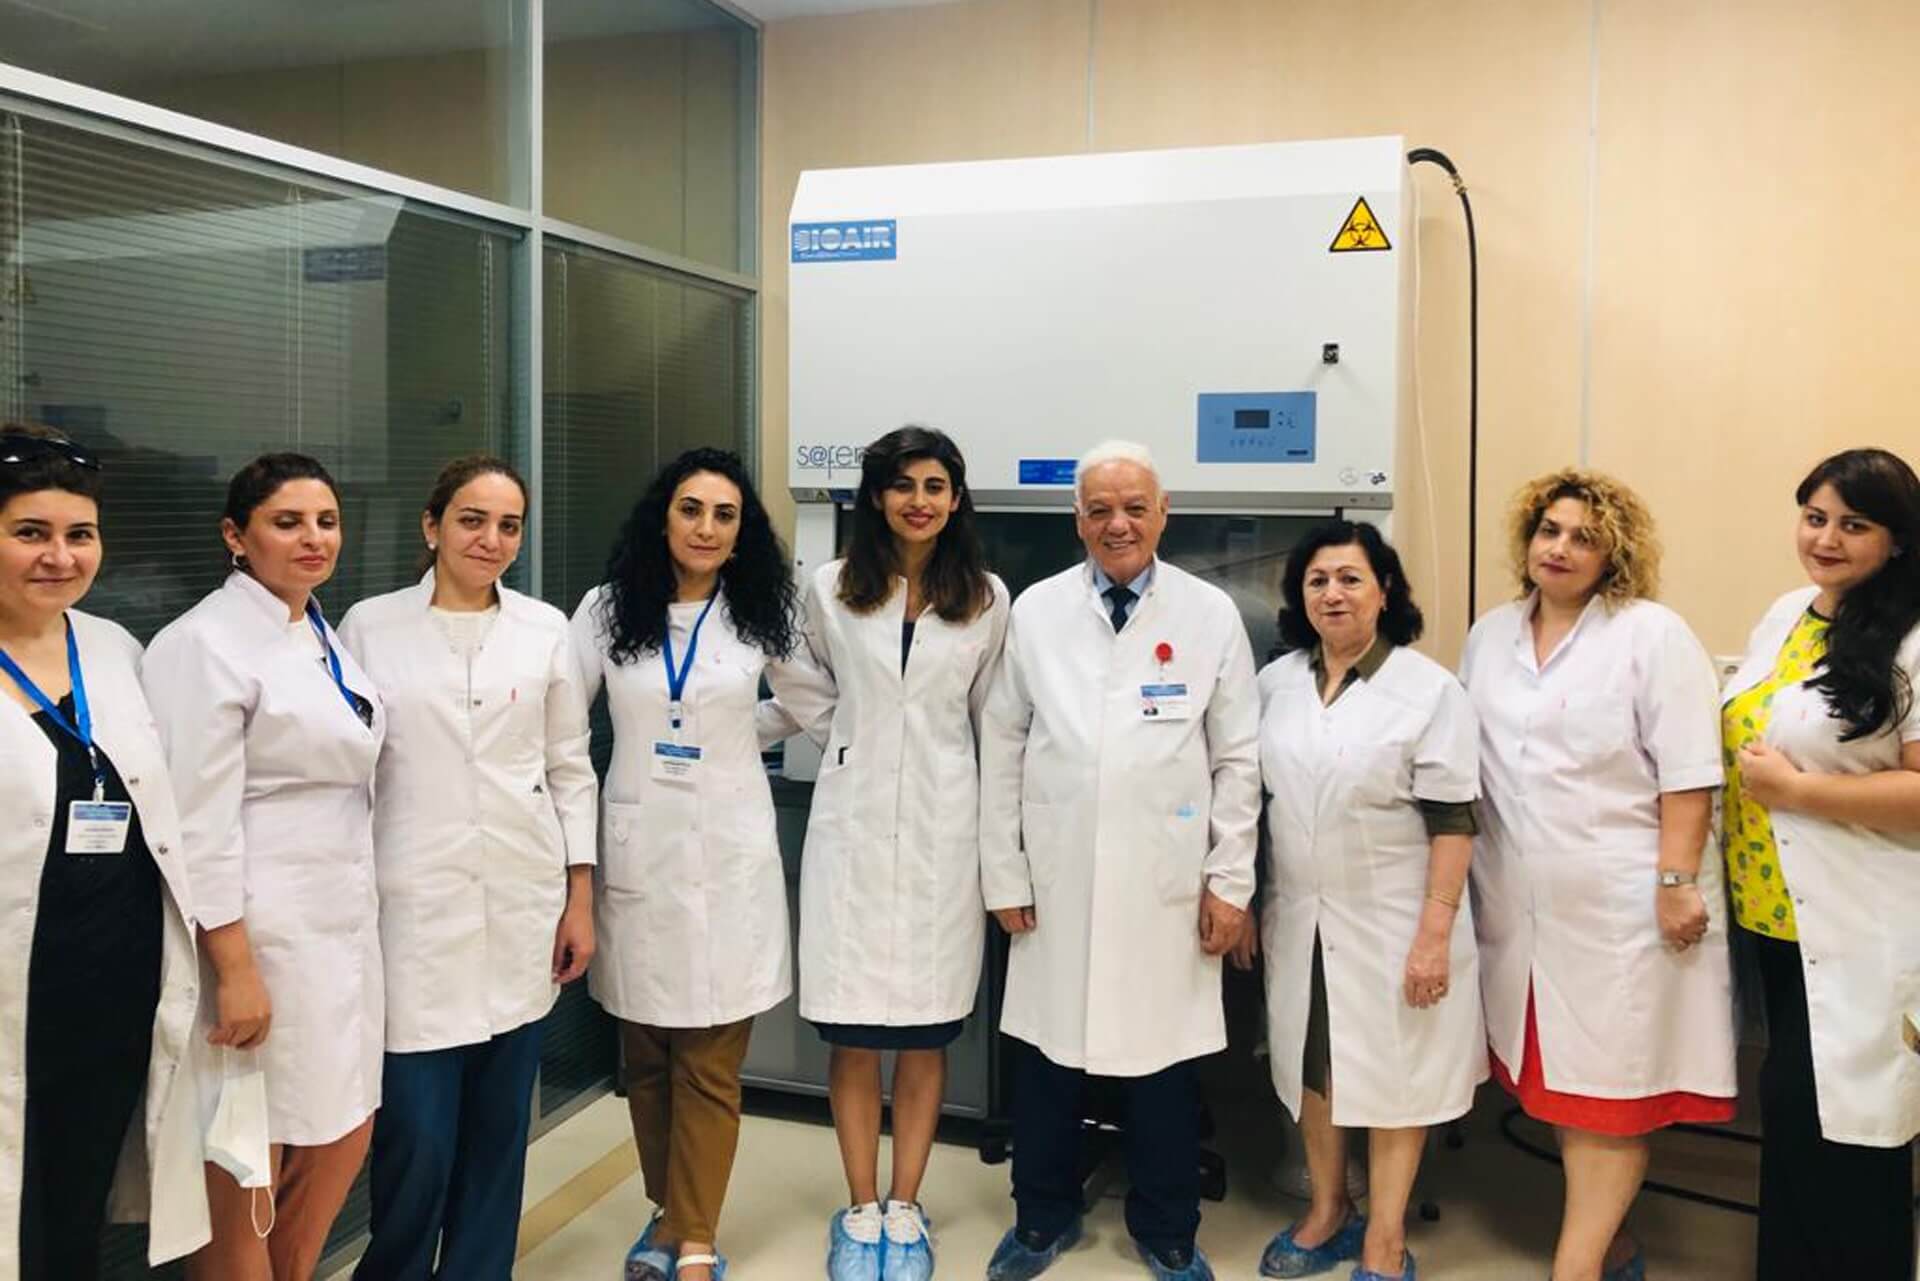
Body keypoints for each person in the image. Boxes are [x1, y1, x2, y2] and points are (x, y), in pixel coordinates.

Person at [978, 439, 1260, 1281]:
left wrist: (1230, 880)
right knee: (1046, 1060)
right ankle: (1041, 1217)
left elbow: (1238, 758)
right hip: (1055, 877)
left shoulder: (1209, 614)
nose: (1118, 524)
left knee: (1163, 1064)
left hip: (1164, 880)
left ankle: (1169, 1227)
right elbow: (1003, 743)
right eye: (1099, 509)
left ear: (1163, 514)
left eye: (1135, 507)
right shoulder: (1038, 610)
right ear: (1078, 521)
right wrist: (1004, 870)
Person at [1461, 468, 1732, 1281]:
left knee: (1608, 1098)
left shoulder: (1651, 635)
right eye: (1549, 530)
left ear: (1614, 553)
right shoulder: (1491, 635)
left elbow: (1690, 773)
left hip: (1623, 907)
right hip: (1517, 901)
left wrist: (1677, 882)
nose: (1561, 547)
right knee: (1560, 1082)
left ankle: (1575, 1268)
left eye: (1584, 537)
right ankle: (1613, 1246)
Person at [339, 456, 598, 1280]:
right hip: (412, 907)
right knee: (416, 1132)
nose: (491, 539)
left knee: (498, 1129)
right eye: (472, 520)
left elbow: (569, 766)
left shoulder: (543, 628)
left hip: (522, 901)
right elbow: (348, 766)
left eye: (508, 525)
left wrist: (580, 896)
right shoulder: (370, 626)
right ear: (433, 526)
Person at [769, 426, 1009, 1281]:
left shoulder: (985, 596)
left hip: (946, 825)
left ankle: (906, 1207)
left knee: (925, 1032)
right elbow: (792, 674)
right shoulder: (832, 587)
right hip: (855, 821)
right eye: (903, 485)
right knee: (856, 1035)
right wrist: (848, 738)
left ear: (955, 498)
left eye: (936, 486)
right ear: (876, 496)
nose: (919, 500)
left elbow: (992, 714)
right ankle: (861, 1204)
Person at [144, 452, 386, 1281]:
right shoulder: (202, 644)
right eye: (287, 522)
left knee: (338, 1126)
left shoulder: (315, 628)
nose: (313, 538)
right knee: (248, 1149)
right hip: (257, 933)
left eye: (326, 521)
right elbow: (196, 824)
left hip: (338, 926)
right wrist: (235, 966)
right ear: (235, 535)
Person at [571, 447, 799, 1281]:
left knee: (708, 1055)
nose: (706, 527)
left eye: (724, 515)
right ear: (662, 517)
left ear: (741, 533)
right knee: (645, 1056)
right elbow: (563, 721)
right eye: (691, 509)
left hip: (727, 858)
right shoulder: (605, 611)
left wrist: (736, 731)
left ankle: (695, 1236)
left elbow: (810, 699)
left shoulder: (758, 612)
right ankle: (667, 1211)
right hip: (638, 853)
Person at [1243, 521, 1482, 1281]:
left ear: (1385, 592)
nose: (1333, 594)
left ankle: (1385, 1236)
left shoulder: (1428, 690)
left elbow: (1454, 820)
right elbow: (1249, 800)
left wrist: (1433, 936)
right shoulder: (1276, 684)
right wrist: (1243, 897)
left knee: (1395, 1078)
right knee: (1313, 1068)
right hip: (1300, 915)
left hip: (1395, 919)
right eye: (1317, 581)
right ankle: (1329, 1209)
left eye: (1351, 578)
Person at [0, 424, 209, 1278]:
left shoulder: (114, 647)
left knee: (76, 1213)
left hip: (113, 999)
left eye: (79, 533)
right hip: (16, 1000)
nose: (60, 556)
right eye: (31, 532)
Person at [1720, 447, 1920, 1280]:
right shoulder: (1789, 613)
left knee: (1851, 1130)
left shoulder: (1914, 636)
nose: (1826, 538)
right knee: (1795, 1117)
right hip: (1773, 914)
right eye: (1815, 517)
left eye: (1853, 524)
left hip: (1859, 920)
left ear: (1898, 539)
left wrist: (1798, 791)